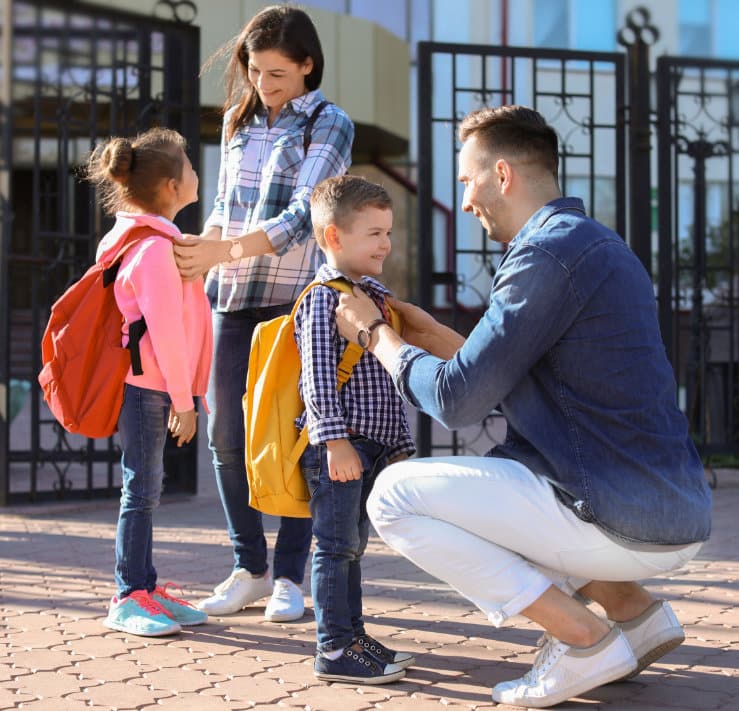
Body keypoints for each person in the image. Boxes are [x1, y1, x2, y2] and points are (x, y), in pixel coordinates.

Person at [334, 105, 712, 708]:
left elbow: (458, 401)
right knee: (496, 486)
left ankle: (584, 638)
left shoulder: (545, 256)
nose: (464, 202)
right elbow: (508, 379)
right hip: (668, 506)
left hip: (618, 511)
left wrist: (375, 338)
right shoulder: (595, 244)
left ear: (502, 174)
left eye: (466, 182)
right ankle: (634, 612)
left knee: (394, 497)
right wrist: (430, 335)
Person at [173, 5, 354, 622]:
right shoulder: (236, 121)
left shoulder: (330, 124)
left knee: (293, 435)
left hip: (294, 298)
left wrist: (225, 248)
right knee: (227, 432)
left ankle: (289, 577)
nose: (264, 85)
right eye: (255, 71)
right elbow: (225, 202)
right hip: (231, 295)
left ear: (307, 66)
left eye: (278, 74)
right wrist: (202, 257)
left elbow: (306, 215)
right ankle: (248, 567)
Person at [86, 128, 212, 637]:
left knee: (146, 487)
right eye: (189, 165)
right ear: (169, 185)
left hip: (147, 383)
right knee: (140, 490)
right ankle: (127, 595)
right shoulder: (154, 250)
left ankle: (144, 585)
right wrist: (183, 401)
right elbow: (165, 332)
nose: (197, 172)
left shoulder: (135, 236)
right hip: (149, 386)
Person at [296, 176, 416, 684]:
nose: (385, 244)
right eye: (373, 233)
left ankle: (354, 635)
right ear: (333, 237)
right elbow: (317, 376)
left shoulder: (372, 296)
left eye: (387, 232)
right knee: (334, 546)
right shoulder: (324, 299)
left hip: (366, 449)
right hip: (339, 448)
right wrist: (335, 440)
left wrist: (398, 446)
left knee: (353, 547)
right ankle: (333, 648)